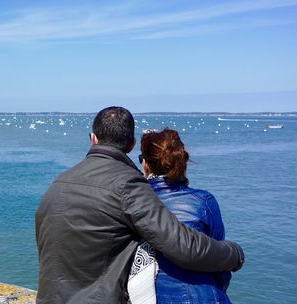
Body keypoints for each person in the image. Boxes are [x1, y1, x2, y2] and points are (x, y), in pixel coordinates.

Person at [35, 106, 244, 304]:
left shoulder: (59, 183)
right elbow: (182, 245)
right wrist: (234, 254)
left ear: (93, 139)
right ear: (132, 144)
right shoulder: (127, 184)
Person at [140, 128, 232, 303]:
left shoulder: (133, 202)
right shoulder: (204, 202)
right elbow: (220, 262)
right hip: (205, 296)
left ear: (146, 164)